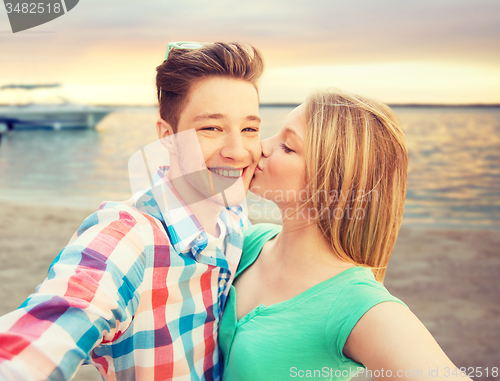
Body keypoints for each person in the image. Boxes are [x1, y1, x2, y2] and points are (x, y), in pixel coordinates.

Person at [0, 42, 263, 381]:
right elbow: (42, 336)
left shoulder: (234, 217)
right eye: (211, 128)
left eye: (250, 129)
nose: (237, 151)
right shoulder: (128, 237)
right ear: (168, 139)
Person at [219, 90, 472, 380]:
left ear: (334, 182)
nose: (260, 147)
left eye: (287, 146)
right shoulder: (249, 243)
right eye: (275, 136)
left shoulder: (356, 304)